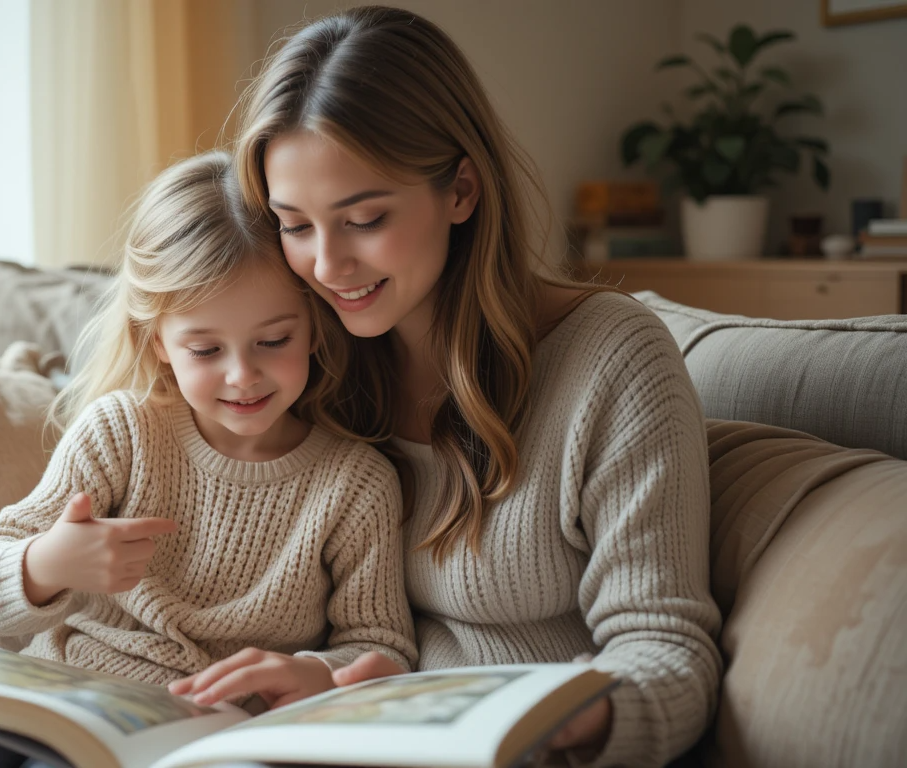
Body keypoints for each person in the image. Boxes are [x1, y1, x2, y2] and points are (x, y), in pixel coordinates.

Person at [169, 7, 723, 767]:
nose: (327, 266)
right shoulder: (305, 364)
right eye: (295, 226)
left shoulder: (612, 360)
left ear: (461, 190)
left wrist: (538, 714)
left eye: (363, 218)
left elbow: (669, 656)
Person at [0, 149, 416, 767]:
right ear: (159, 343)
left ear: (314, 326)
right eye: (205, 349)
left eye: (273, 341)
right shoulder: (123, 431)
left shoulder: (355, 483)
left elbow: (381, 645)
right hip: (58, 698)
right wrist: (47, 562)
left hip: (196, 736)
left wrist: (319, 674)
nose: (242, 375)